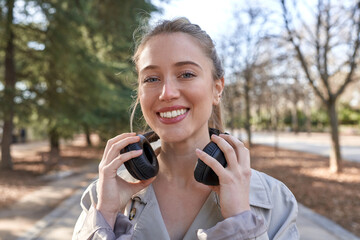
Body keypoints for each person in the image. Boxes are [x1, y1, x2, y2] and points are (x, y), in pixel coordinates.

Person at [73, 18, 299, 240]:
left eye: (187, 74)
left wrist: (241, 221)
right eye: (151, 79)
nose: (167, 93)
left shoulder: (275, 199)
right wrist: (106, 217)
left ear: (217, 88)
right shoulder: (100, 196)